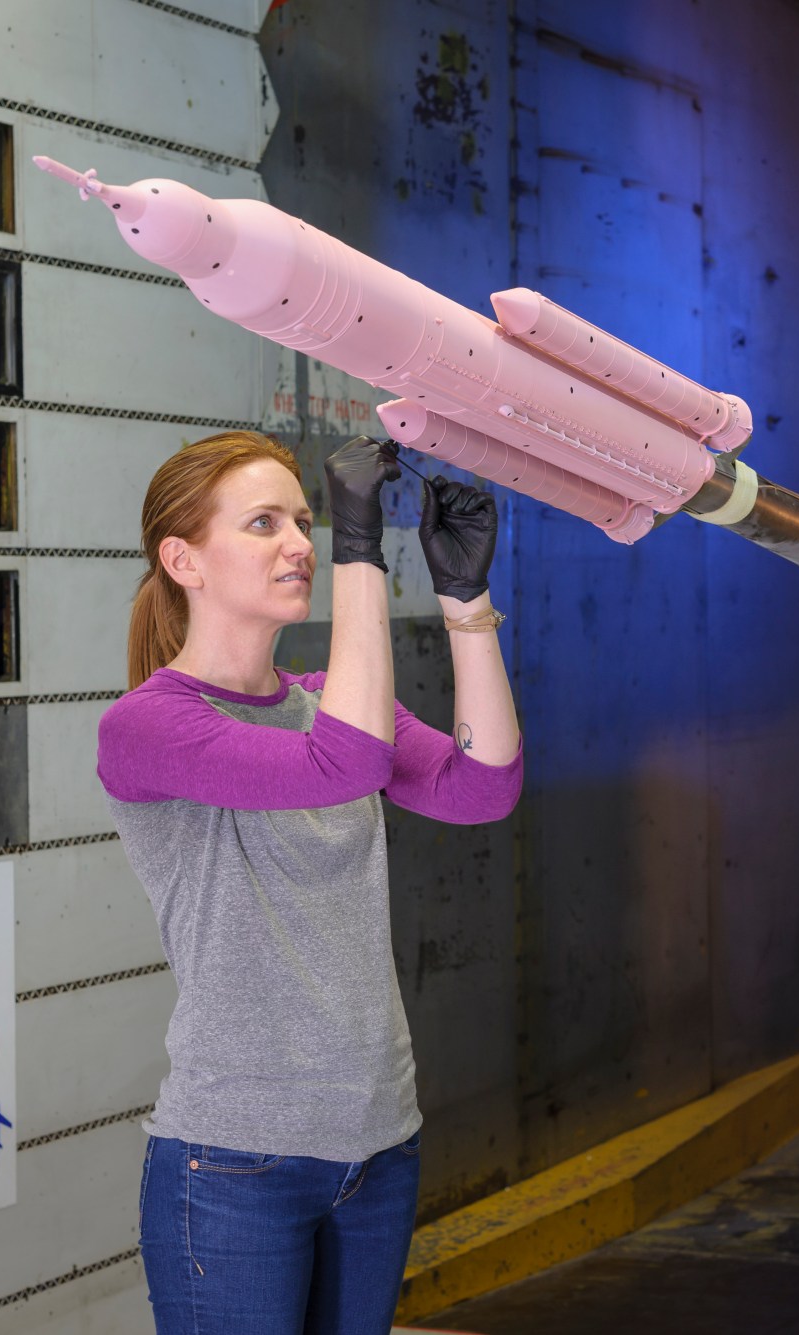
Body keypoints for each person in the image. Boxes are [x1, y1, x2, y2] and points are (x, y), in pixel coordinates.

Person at [97, 430, 522, 1334]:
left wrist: (465, 597)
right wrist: (360, 552)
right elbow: (345, 762)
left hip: (378, 1142)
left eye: (307, 518)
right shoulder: (148, 727)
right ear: (184, 560)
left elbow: (486, 787)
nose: (299, 542)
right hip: (235, 1160)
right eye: (263, 523)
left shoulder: (330, 695)